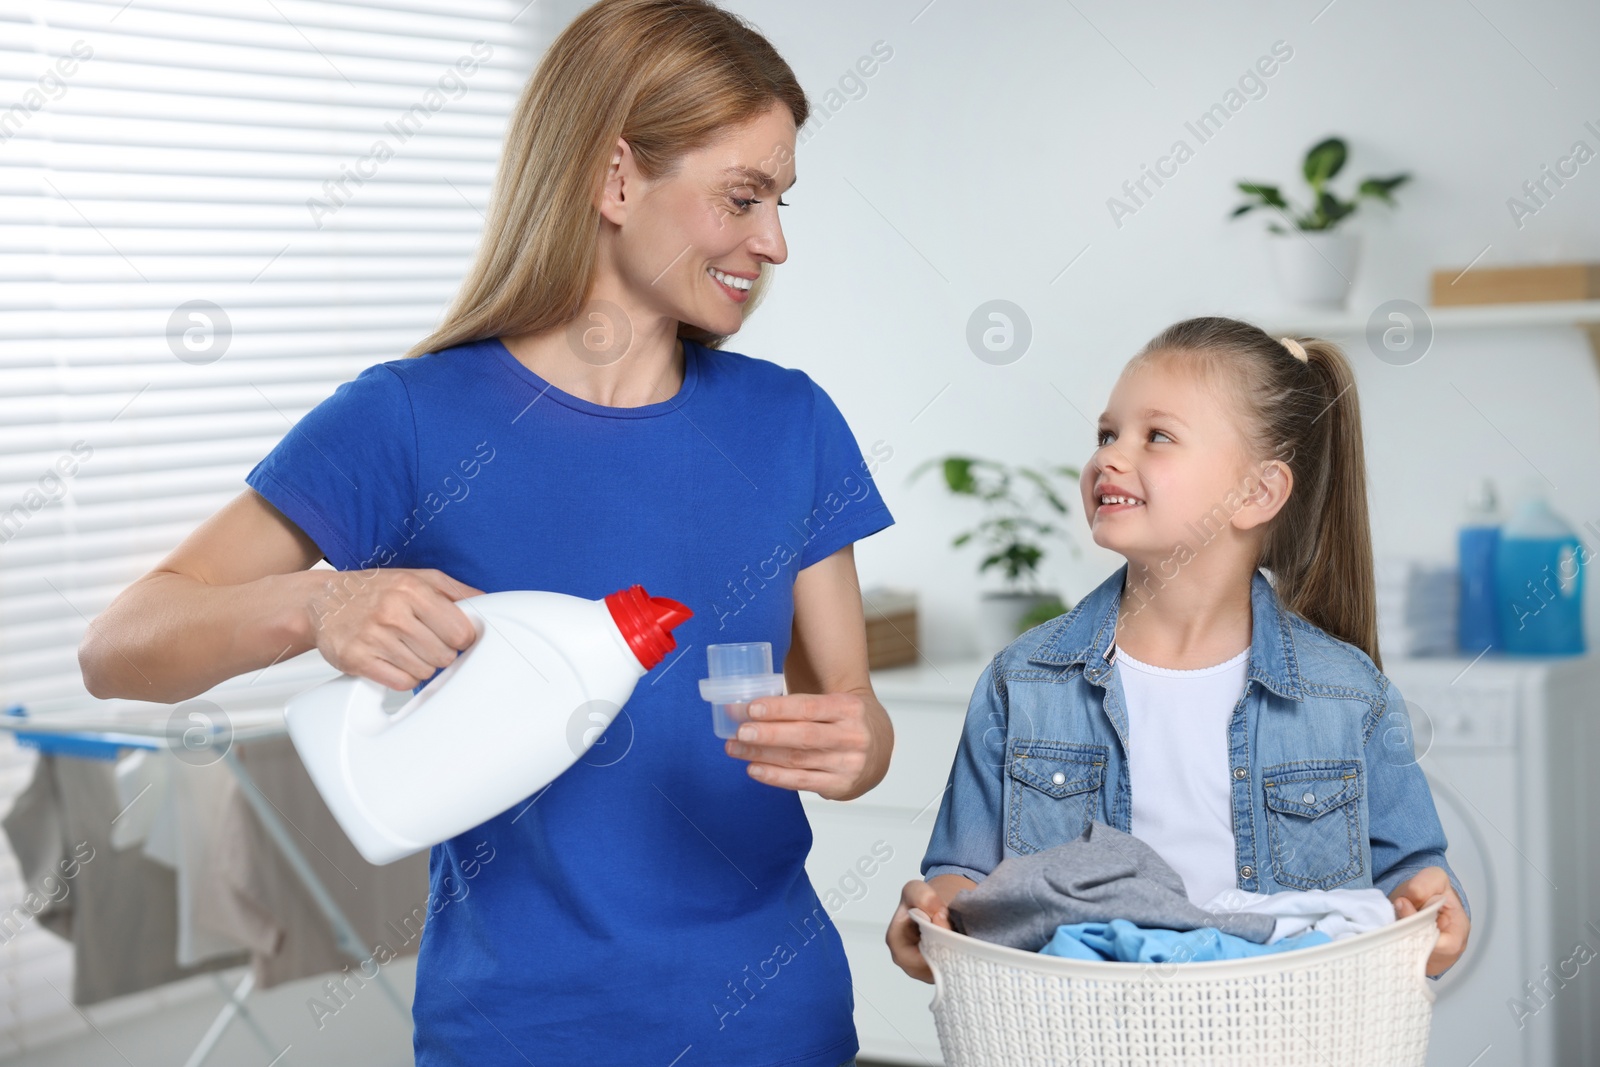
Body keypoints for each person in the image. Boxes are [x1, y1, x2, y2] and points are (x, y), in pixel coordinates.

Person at [79, 3, 891, 1064]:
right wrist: (320, 603)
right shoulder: (410, 420)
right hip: (522, 1032)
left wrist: (856, 745)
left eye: (780, 201)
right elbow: (119, 646)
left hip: (779, 1021)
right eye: (742, 197)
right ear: (612, 179)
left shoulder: (789, 423)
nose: (773, 240)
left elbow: (854, 716)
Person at [886, 316, 1471, 982]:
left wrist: (1432, 909)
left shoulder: (1346, 692)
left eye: (1156, 436)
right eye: (1108, 433)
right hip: (1081, 1034)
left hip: (1281, 1033)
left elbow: (1411, 877)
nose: (1110, 455)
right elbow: (965, 877)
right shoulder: (1023, 682)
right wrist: (935, 917)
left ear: (1258, 492)